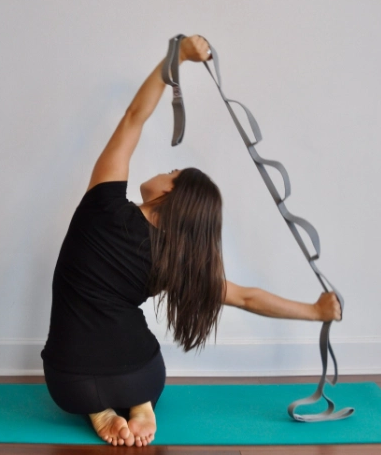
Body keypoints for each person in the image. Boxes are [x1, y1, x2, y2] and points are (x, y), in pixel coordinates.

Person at [40, 35, 342, 448]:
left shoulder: (102, 205)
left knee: (83, 382)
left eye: (172, 172)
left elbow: (134, 117)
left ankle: (99, 410)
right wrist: (315, 311)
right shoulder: (176, 261)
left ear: (169, 196)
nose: (163, 172)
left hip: (67, 382)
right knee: (141, 373)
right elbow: (245, 298)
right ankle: (140, 404)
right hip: (139, 373)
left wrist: (177, 55)